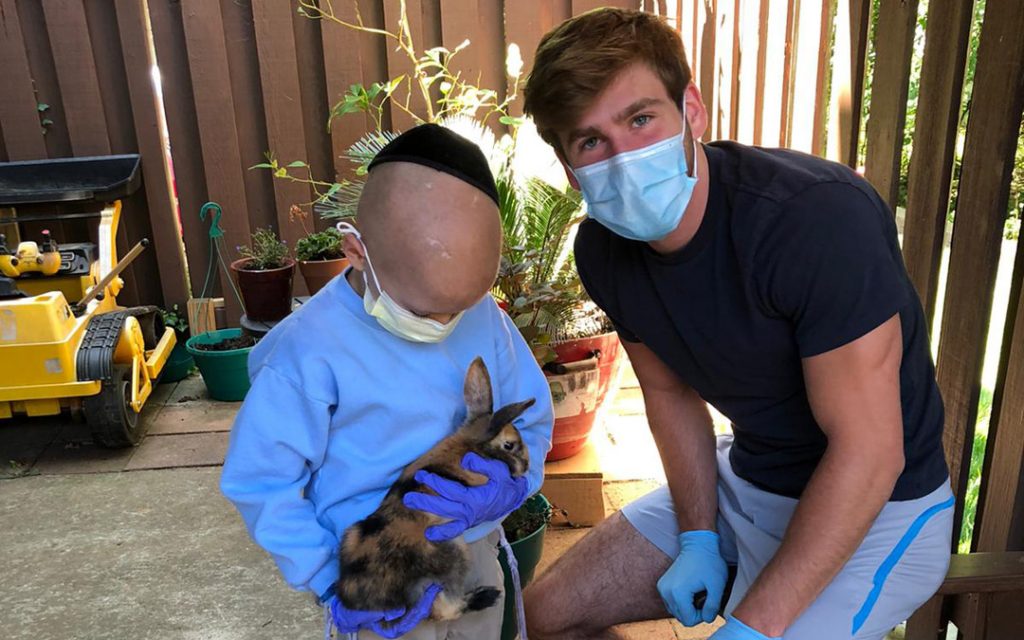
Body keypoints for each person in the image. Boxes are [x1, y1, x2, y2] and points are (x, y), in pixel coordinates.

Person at [519, 8, 953, 640]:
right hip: (747, 482)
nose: (623, 157)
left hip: (882, 510)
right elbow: (668, 393)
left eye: (641, 119)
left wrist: (753, 625)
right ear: (568, 164)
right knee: (540, 621)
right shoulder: (604, 250)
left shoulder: (814, 220)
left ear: (691, 110)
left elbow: (870, 454)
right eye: (591, 141)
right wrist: (697, 535)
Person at [220, 123, 554, 640]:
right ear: (357, 252)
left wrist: (509, 490)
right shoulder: (307, 352)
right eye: (426, 310)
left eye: (460, 310)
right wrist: (330, 581)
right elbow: (260, 480)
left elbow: (528, 420)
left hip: (472, 551)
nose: (445, 326)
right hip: (378, 581)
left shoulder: (485, 315)